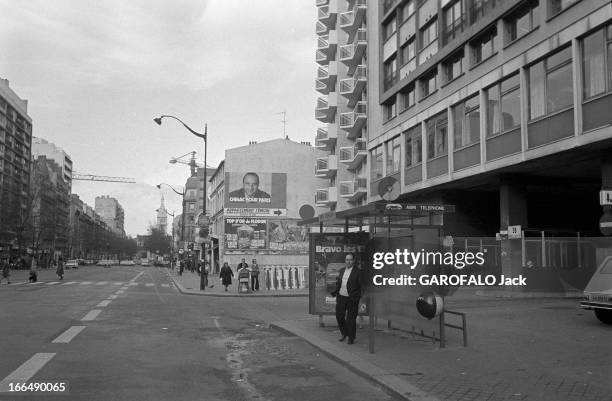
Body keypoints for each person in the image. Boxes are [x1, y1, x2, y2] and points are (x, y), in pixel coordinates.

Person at [331, 253, 362, 345]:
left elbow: (361, 286)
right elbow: (339, 283)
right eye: (347, 260)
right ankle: (345, 333)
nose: (348, 261)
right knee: (339, 316)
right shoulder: (341, 270)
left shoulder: (358, 272)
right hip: (341, 297)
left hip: (352, 299)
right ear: (345, 261)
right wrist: (335, 291)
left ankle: (351, 338)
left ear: (353, 261)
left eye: (350, 260)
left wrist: (357, 297)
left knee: (351, 319)